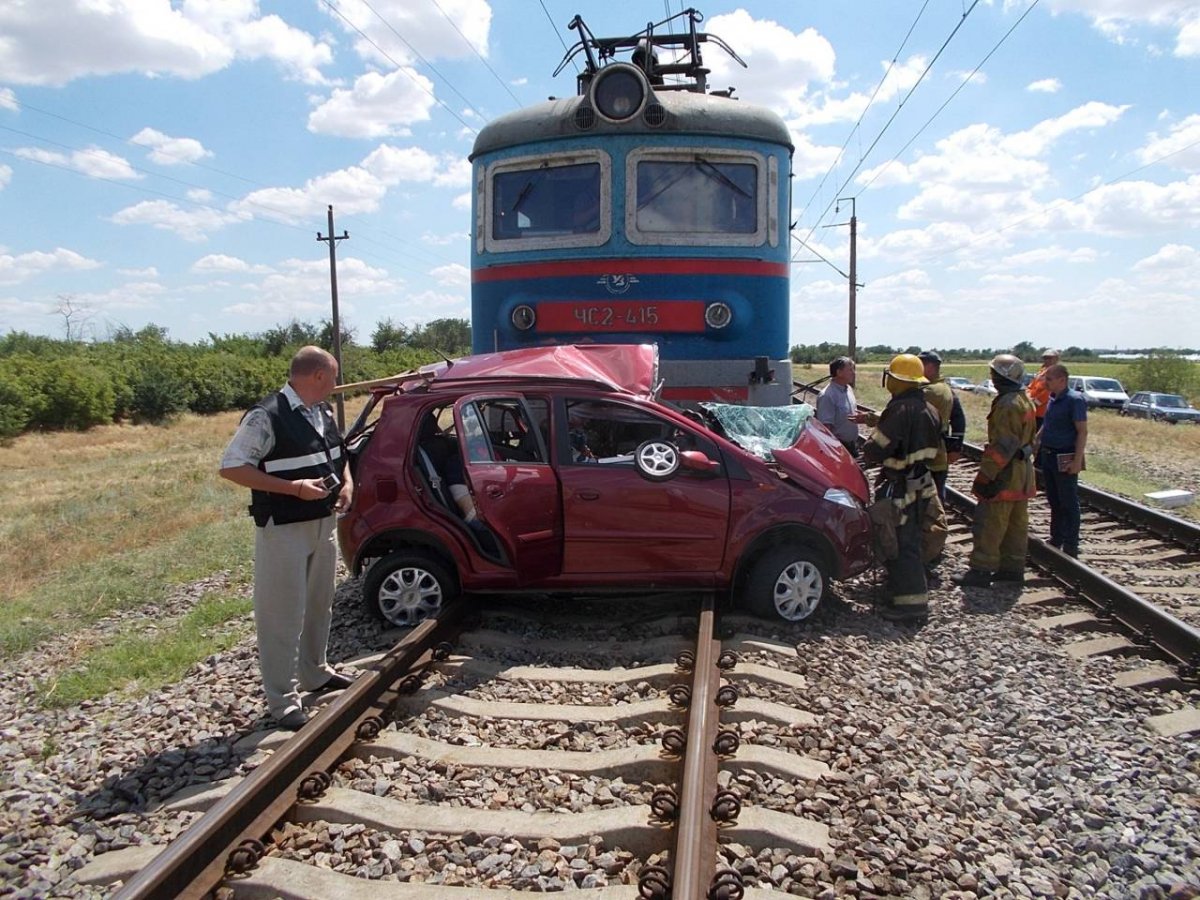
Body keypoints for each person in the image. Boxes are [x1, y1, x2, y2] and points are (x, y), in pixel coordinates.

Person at [219, 346, 355, 731]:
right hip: (284, 528)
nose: (335, 384)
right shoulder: (268, 415)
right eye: (332, 377)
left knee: (318, 604)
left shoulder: (322, 413)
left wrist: (346, 484)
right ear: (316, 376)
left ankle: (315, 672)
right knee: (281, 615)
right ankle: (282, 700)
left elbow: (340, 456)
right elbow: (232, 467)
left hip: (322, 523)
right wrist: (293, 488)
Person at [861, 354, 943, 622]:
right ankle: (900, 593)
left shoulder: (899, 410)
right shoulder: (929, 409)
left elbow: (876, 449)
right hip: (921, 483)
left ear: (896, 380)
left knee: (901, 543)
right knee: (913, 540)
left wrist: (868, 449)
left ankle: (911, 607)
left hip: (901, 487)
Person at [957, 354, 1037, 587]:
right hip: (1022, 475)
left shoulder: (1006, 404)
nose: (992, 378)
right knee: (1016, 525)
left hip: (1005, 475)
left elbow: (1002, 447)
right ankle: (1012, 570)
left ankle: (981, 571)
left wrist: (986, 476)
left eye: (994, 374)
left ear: (1002, 377)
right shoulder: (1025, 399)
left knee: (991, 523)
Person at [1035, 363, 1087, 558]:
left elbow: (1082, 431)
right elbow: (1047, 424)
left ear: (1062, 380)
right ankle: (1056, 538)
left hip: (1064, 455)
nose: (1045, 382)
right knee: (1054, 499)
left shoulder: (1075, 400)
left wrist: (1077, 459)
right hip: (1048, 455)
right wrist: (1037, 440)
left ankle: (1071, 543)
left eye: (1049, 379)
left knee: (1068, 502)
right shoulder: (1052, 399)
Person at [816, 356, 869, 457]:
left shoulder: (848, 389)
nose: (853, 373)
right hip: (839, 448)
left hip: (852, 445)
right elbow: (825, 429)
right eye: (850, 369)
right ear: (839, 372)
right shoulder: (827, 395)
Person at [1026, 348, 1060, 432]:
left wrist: (1035, 403)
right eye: (1045, 358)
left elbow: (1048, 392)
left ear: (1056, 359)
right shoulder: (1041, 372)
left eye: (1050, 358)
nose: (1047, 360)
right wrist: (1027, 396)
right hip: (1032, 408)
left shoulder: (1056, 373)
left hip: (1042, 411)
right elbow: (1031, 386)